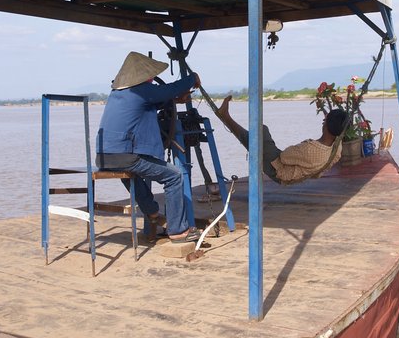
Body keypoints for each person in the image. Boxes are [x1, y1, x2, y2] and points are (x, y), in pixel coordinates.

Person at [96, 51, 201, 243]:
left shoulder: (118, 94)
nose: (152, 79)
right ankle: (178, 231)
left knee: (132, 176)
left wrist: (175, 100)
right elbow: (169, 90)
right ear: (144, 77)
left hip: (105, 157)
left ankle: (153, 214)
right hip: (126, 155)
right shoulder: (142, 91)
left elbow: (154, 101)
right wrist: (192, 78)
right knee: (174, 176)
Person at [215, 96, 347, 183]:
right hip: (292, 173)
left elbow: (284, 157)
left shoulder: (311, 149)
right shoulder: (337, 147)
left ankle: (225, 117)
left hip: (277, 170)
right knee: (255, 142)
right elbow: (324, 167)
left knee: (261, 130)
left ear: (325, 124)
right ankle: (226, 117)